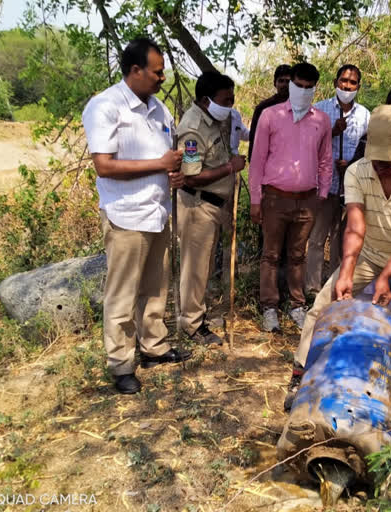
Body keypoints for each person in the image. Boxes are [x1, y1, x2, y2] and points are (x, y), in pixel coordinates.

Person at [284, 105, 391, 410]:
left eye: (388, 159)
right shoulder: (357, 171)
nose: (380, 166)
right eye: (376, 158)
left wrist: (386, 277)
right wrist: (347, 270)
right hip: (368, 253)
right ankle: (300, 373)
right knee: (321, 306)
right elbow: (355, 226)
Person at [82, 38, 191, 395]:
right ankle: (121, 364)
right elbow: (104, 165)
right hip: (126, 215)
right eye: (157, 72)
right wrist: (159, 164)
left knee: (155, 289)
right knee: (123, 293)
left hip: (157, 212)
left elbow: (168, 156)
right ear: (135, 71)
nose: (162, 78)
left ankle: (153, 347)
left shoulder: (159, 109)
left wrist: (172, 171)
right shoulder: (105, 106)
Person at [249, 62, 333, 332]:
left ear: (315, 89)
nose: (303, 91)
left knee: (298, 254)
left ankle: (297, 305)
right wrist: (255, 199)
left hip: (307, 199)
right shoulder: (270, 116)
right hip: (275, 197)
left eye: (310, 88)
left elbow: (325, 160)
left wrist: (320, 195)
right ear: (290, 84)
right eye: (299, 86)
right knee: (271, 254)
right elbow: (257, 160)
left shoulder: (321, 120)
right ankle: (269, 307)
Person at [176, 71, 246, 346]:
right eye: (225, 100)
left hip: (212, 206)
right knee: (195, 268)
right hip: (197, 206)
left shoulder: (214, 121)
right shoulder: (193, 128)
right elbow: (191, 175)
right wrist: (229, 167)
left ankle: (197, 316)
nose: (230, 105)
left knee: (202, 267)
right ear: (207, 100)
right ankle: (192, 326)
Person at [305, 64, 371, 295]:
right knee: (316, 239)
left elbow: (368, 151)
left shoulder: (365, 115)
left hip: (350, 189)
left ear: (358, 86)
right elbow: (306, 145)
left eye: (352, 83)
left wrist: (351, 165)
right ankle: (312, 289)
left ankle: (333, 288)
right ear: (335, 82)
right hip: (323, 186)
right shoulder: (319, 111)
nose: (347, 86)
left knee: (340, 241)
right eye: (343, 81)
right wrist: (331, 132)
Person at [248, 64, 292, 161]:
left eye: (288, 81)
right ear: (274, 83)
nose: (285, 85)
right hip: (269, 162)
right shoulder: (263, 108)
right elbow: (254, 139)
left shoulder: (299, 108)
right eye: (281, 81)